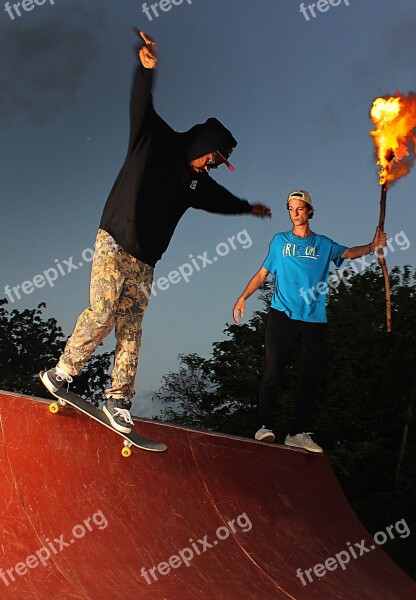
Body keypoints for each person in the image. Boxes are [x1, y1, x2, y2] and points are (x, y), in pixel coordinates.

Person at [41, 31, 271, 434]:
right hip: (114, 242)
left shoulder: (196, 183)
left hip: (145, 262)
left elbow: (218, 198)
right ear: (205, 143)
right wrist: (146, 71)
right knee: (102, 314)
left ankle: (118, 400)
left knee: (132, 330)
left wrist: (245, 208)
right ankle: (63, 372)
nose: (211, 168)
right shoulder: (154, 138)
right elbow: (141, 106)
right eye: (213, 160)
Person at [233, 189, 386, 453]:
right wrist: (243, 297)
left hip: (314, 320)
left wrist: (373, 247)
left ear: (310, 211)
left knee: (312, 377)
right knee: (273, 372)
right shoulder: (280, 242)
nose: (294, 213)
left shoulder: (323, 244)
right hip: (282, 316)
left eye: (300, 208)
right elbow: (262, 273)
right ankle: (264, 426)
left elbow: (348, 252)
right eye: (290, 208)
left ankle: (297, 432)